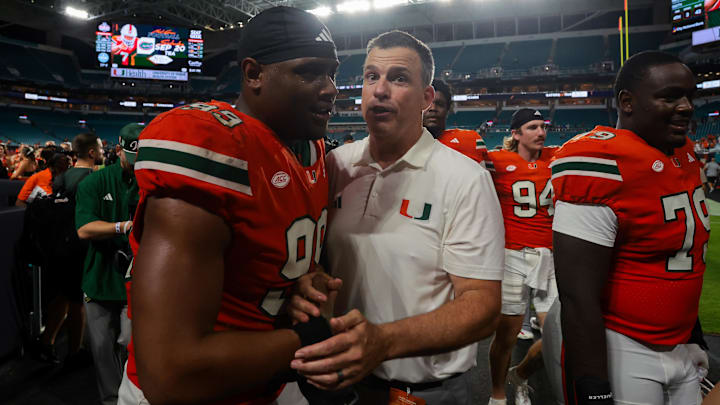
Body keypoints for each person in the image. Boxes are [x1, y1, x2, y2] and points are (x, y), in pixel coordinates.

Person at [117, 7, 339, 405]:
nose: (330, 88)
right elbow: (171, 374)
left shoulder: (313, 149)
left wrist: (307, 281)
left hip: (265, 380)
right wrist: (312, 339)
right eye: (309, 71)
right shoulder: (215, 144)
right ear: (253, 74)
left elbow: (276, 255)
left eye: (333, 73)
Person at [290, 30, 504, 405]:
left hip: (425, 392)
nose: (380, 90)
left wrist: (385, 341)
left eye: (398, 78)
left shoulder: (465, 180)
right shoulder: (335, 166)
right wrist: (313, 280)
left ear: (426, 98)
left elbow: (483, 306)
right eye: (371, 76)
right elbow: (320, 259)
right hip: (341, 381)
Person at [550, 51, 709, 405]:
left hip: (680, 341)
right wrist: (594, 388)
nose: (685, 107)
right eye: (670, 96)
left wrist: (693, 335)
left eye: (689, 97)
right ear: (627, 102)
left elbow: (684, 258)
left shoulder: (682, 154)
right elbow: (577, 294)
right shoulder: (599, 161)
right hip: (624, 345)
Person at [485, 108, 558, 405]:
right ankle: (498, 392)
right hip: (512, 256)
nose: (540, 132)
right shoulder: (496, 160)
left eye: (542, 126)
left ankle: (522, 374)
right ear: (516, 134)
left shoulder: (558, 156)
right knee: (507, 336)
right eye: (532, 127)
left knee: (556, 336)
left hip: (551, 257)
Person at [76, 124, 141, 405]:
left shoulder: (148, 182)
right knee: (102, 349)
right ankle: (111, 401)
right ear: (119, 151)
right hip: (101, 277)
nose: (137, 166)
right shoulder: (94, 182)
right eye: (133, 158)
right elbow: (84, 229)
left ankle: (128, 398)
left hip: (135, 281)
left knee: (130, 344)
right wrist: (122, 226)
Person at [38, 133, 105, 364]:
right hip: (79, 249)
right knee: (77, 303)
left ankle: (46, 342)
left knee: (62, 299)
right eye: (101, 149)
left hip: (56, 248)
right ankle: (75, 352)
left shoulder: (60, 178)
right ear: (92, 152)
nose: (104, 153)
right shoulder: (94, 179)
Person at [423, 79, 488, 165]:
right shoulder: (403, 145)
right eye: (427, 104)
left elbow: (485, 177)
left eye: (440, 104)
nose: (433, 108)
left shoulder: (471, 141)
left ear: (448, 109)